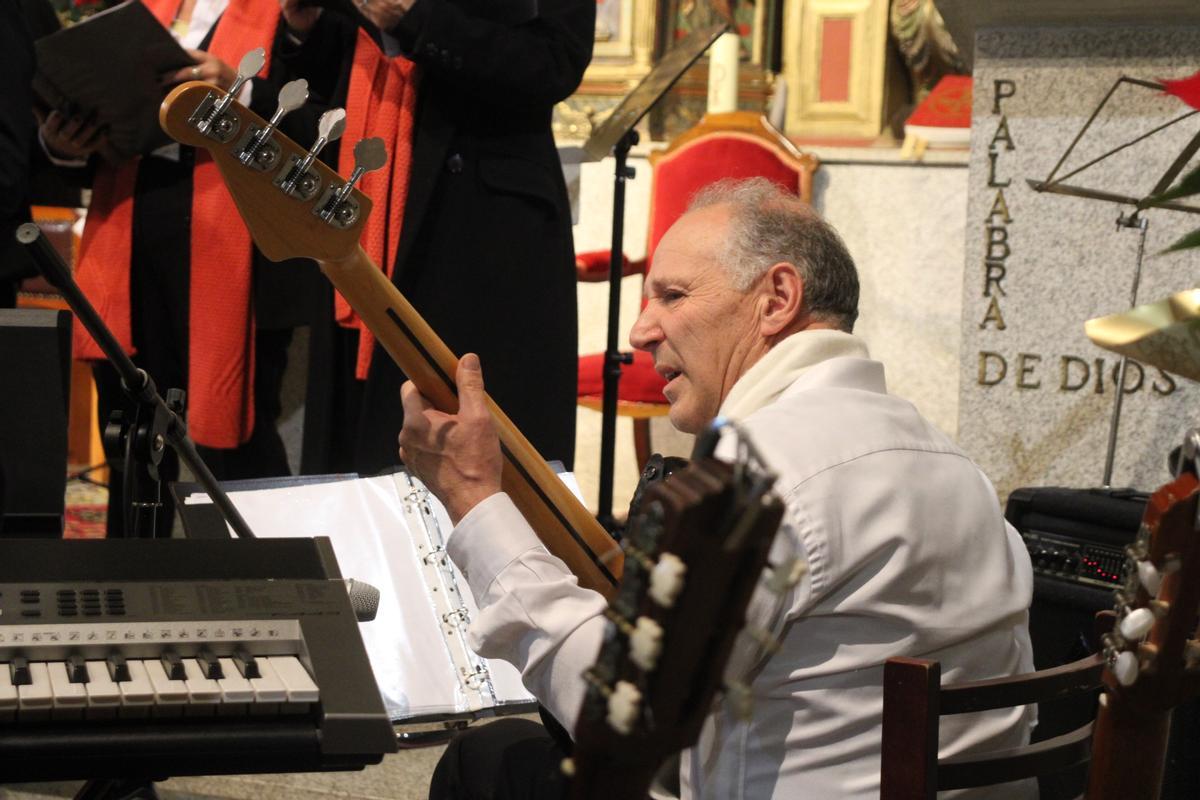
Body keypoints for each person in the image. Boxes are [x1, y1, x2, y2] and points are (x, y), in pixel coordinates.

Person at [400, 178, 1037, 799]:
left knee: (486, 763)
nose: (641, 331)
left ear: (777, 298)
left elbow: (620, 721)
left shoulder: (763, 471)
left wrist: (475, 499)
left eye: (673, 295)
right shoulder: (953, 461)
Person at [49, 0, 334, 535]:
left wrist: (242, 94)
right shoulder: (143, 11)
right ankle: (133, 575)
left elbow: (329, 124)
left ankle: (263, 576)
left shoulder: (292, 13)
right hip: (129, 237)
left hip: (239, 249)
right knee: (132, 439)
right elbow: (103, 138)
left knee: (239, 454)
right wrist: (64, 145)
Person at [284, 0, 590, 477]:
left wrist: (415, 19)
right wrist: (306, 27)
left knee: (470, 443)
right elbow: (340, 69)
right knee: (358, 442)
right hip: (368, 186)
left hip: (479, 223)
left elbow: (554, 64)